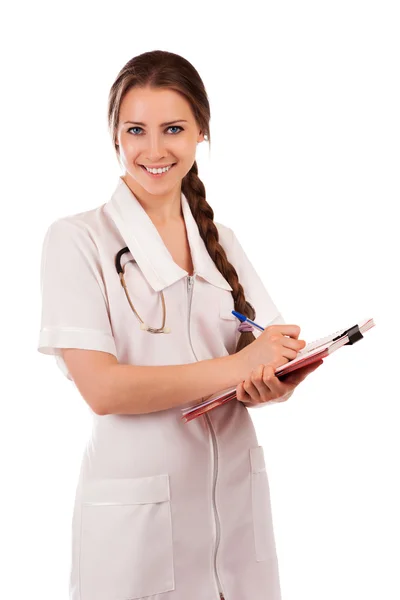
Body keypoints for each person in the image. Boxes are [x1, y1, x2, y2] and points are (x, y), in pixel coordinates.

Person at [37, 50, 323, 600]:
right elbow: (101, 389)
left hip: (235, 514)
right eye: (135, 129)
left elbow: (262, 351)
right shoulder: (77, 240)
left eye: (173, 128)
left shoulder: (224, 245)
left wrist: (274, 382)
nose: (154, 149)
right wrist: (238, 364)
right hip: (136, 530)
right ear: (115, 136)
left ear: (201, 134)